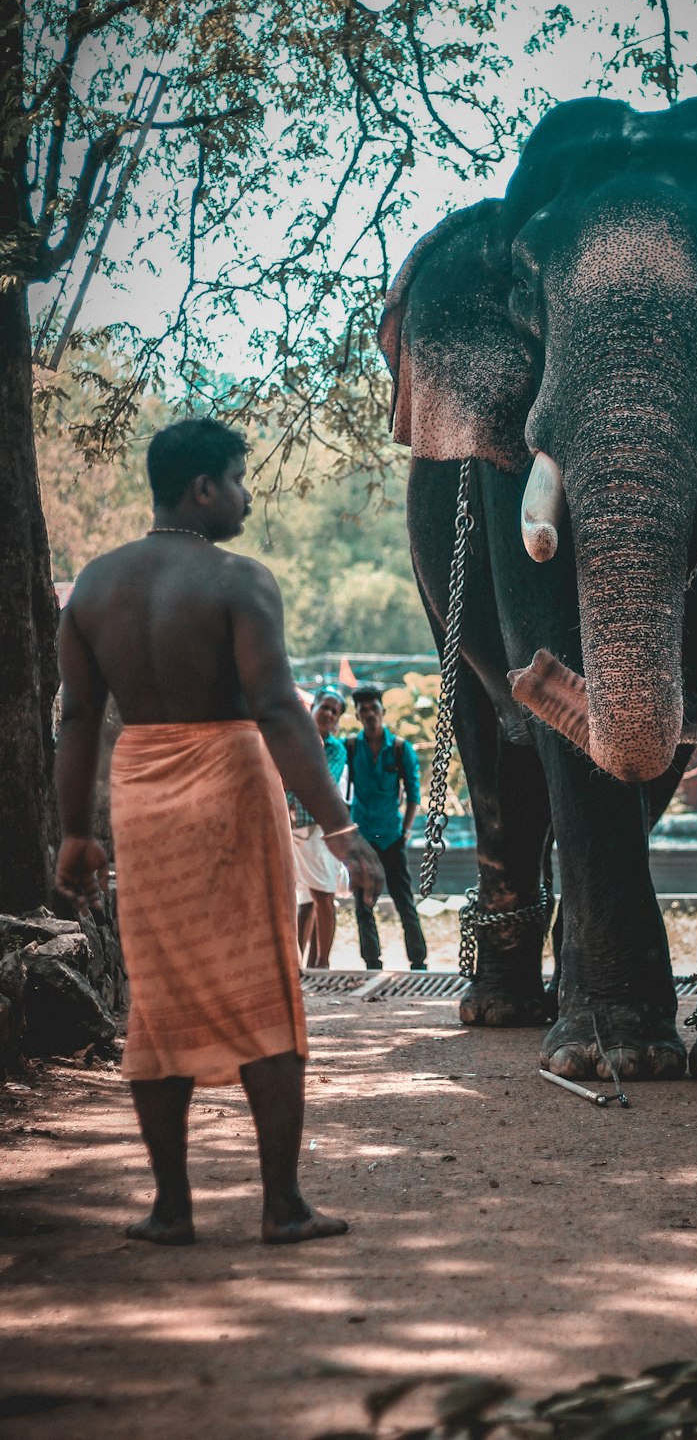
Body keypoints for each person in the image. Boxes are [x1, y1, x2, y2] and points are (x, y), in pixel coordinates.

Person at [54, 417, 383, 1247]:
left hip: (142, 791)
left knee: (157, 1000)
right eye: (239, 479)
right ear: (202, 488)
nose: (244, 495)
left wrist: (73, 835)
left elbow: (78, 723)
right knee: (265, 992)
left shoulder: (94, 588)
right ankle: (282, 1206)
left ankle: (172, 1208)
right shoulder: (240, 580)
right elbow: (277, 709)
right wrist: (341, 827)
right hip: (232, 784)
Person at [346, 684, 428, 971]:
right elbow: (341, 789)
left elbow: (414, 794)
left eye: (374, 708)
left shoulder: (400, 749)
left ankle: (418, 963)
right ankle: (372, 963)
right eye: (363, 709)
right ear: (357, 714)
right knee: (363, 905)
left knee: (404, 902)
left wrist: (405, 831)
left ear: (383, 710)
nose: (370, 714)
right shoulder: (350, 748)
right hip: (362, 840)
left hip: (392, 837)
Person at [287, 687, 350, 968]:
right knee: (305, 900)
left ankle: (322, 963)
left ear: (337, 722)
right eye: (324, 707)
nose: (327, 714)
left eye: (333, 712)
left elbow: (324, 780)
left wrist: (295, 780)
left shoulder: (335, 749)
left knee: (323, 894)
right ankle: (303, 964)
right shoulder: (291, 740)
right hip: (294, 829)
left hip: (319, 831)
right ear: (312, 709)